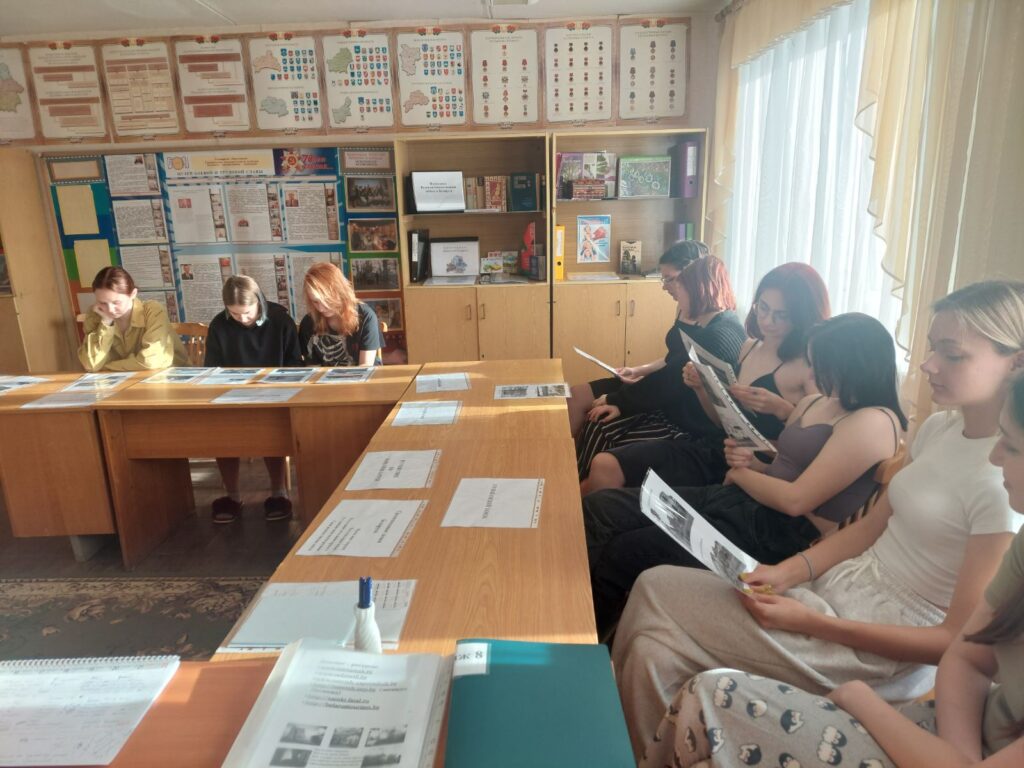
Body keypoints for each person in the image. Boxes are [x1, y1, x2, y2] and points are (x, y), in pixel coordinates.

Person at [615, 280, 1024, 760]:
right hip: (836, 590)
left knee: (654, 588)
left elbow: (952, 642)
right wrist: (786, 572)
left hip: (879, 643)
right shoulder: (939, 429)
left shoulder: (1001, 483)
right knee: (652, 648)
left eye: (952, 355)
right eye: (932, 348)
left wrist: (813, 621)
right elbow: (870, 529)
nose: (928, 364)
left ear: (1015, 362)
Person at [586, 312, 906, 642]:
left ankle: (589, 640)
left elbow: (795, 500)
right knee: (601, 506)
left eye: (820, 365)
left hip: (772, 534)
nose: (812, 374)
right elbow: (784, 467)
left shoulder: (873, 422)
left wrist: (741, 474)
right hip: (738, 503)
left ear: (854, 365)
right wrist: (754, 465)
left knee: (624, 551)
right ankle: (584, 619)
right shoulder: (821, 402)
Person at [582, 262, 829, 494]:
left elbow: (814, 450)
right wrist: (701, 388)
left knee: (611, 476)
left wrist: (782, 410)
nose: (767, 320)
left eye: (781, 315)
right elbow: (721, 423)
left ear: (802, 317)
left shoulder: (809, 368)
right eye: (763, 308)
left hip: (754, 465)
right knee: (606, 464)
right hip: (716, 448)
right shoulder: (749, 347)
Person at [574, 249, 748, 485]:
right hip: (677, 409)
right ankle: (579, 483)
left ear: (697, 291)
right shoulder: (712, 322)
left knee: (603, 430)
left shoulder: (715, 336)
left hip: (690, 427)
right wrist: (634, 380)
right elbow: (671, 366)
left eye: (678, 286)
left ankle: (581, 490)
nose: (672, 292)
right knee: (598, 425)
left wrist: (620, 401)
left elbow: (670, 381)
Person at [567, 240, 708, 436]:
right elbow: (671, 358)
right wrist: (637, 370)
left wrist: (621, 398)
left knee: (597, 419)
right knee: (575, 395)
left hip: (672, 396)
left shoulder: (708, 325)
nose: (664, 287)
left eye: (669, 279)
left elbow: (671, 380)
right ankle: (567, 455)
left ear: (691, 275)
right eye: (663, 279)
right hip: (657, 382)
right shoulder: (681, 308)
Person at [204, 275, 303, 523]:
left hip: (275, 394)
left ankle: (278, 493)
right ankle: (232, 495)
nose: (242, 319)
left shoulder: (280, 321)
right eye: (234, 314)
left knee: (271, 429)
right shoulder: (219, 325)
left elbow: (295, 364)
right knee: (221, 430)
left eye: (247, 312)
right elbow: (211, 368)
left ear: (258, 301)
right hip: (232, 396)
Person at [78, 266, 187, 371]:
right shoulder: (95, 315)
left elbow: (151, 361)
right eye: (103, 303)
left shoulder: (153, 310)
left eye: (116, 302)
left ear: (133, 294)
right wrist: (106, 323)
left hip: (172, 376)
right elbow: (90, 364)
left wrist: (107, 367)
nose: (110, 309)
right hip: (124, 379)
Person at [299, 262, 382, 367]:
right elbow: (312, 368)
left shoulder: (365, 316)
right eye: (315, 302)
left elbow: (365, 366)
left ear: (340, 291)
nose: (321, 308)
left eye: (327, 300)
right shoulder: (308, 322)